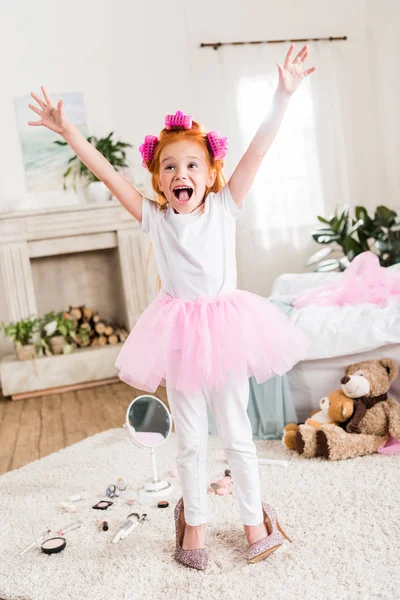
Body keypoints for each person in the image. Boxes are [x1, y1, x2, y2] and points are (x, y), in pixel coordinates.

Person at [28, 43, 315, 569]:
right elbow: (106, 173)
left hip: (226, 327)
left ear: (210, 174)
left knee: (236, 432)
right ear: (158, 179)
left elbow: (259, 148)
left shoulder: (227, 204)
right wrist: (69, 132)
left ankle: (255, 520)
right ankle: (196, 524)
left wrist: (282, 94)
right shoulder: (153, 218)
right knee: (190, 439)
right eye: (168, 167)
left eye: (191, 164)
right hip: (179, 332)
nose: (180, 173)